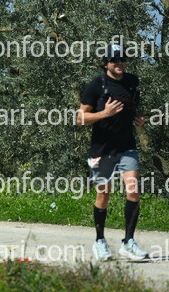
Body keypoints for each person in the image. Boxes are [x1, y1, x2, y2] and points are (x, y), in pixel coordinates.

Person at [77, 45, 148, 261]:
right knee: (103, 194)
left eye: (122, 59)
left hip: (127, 146)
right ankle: (99, 241)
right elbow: (80, 118)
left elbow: (131, 110)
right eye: (114, 60)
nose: (120, 63)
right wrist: (104, 114)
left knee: (133, 191)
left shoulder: (132, 82)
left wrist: (138, 119)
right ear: (105, 63)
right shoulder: (96, 85)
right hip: (102, 149)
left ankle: (129, 242)